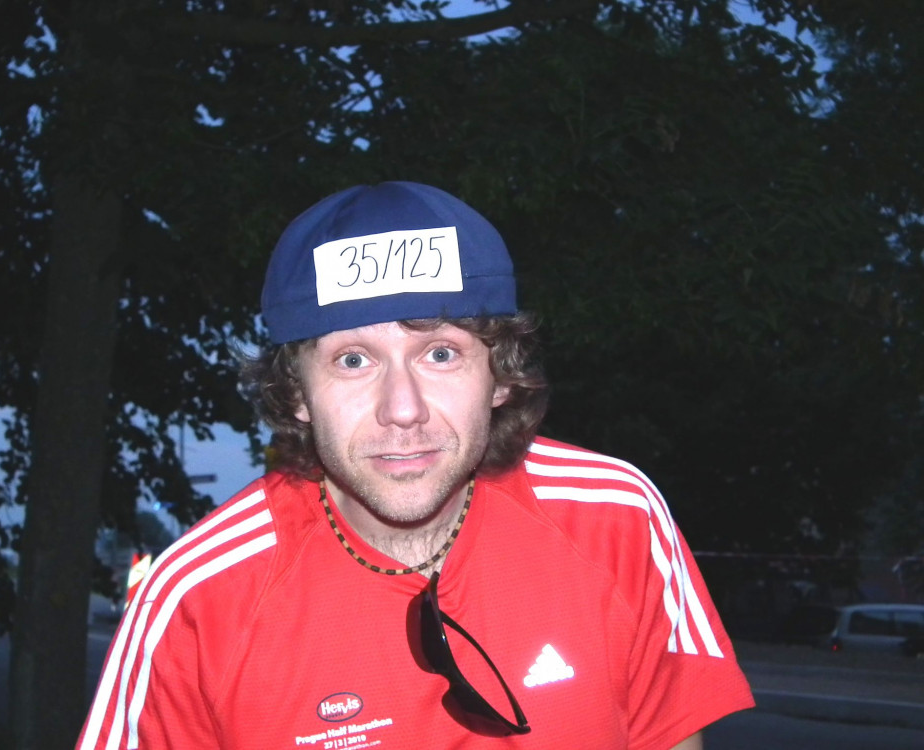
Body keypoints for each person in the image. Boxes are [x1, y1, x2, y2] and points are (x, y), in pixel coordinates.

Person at [77, 181, 754, 749]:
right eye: (353, 360)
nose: (402, 410)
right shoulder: (196, 600)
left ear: (500, 375)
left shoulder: (618, 519)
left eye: (440, 354)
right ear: (296, 394)